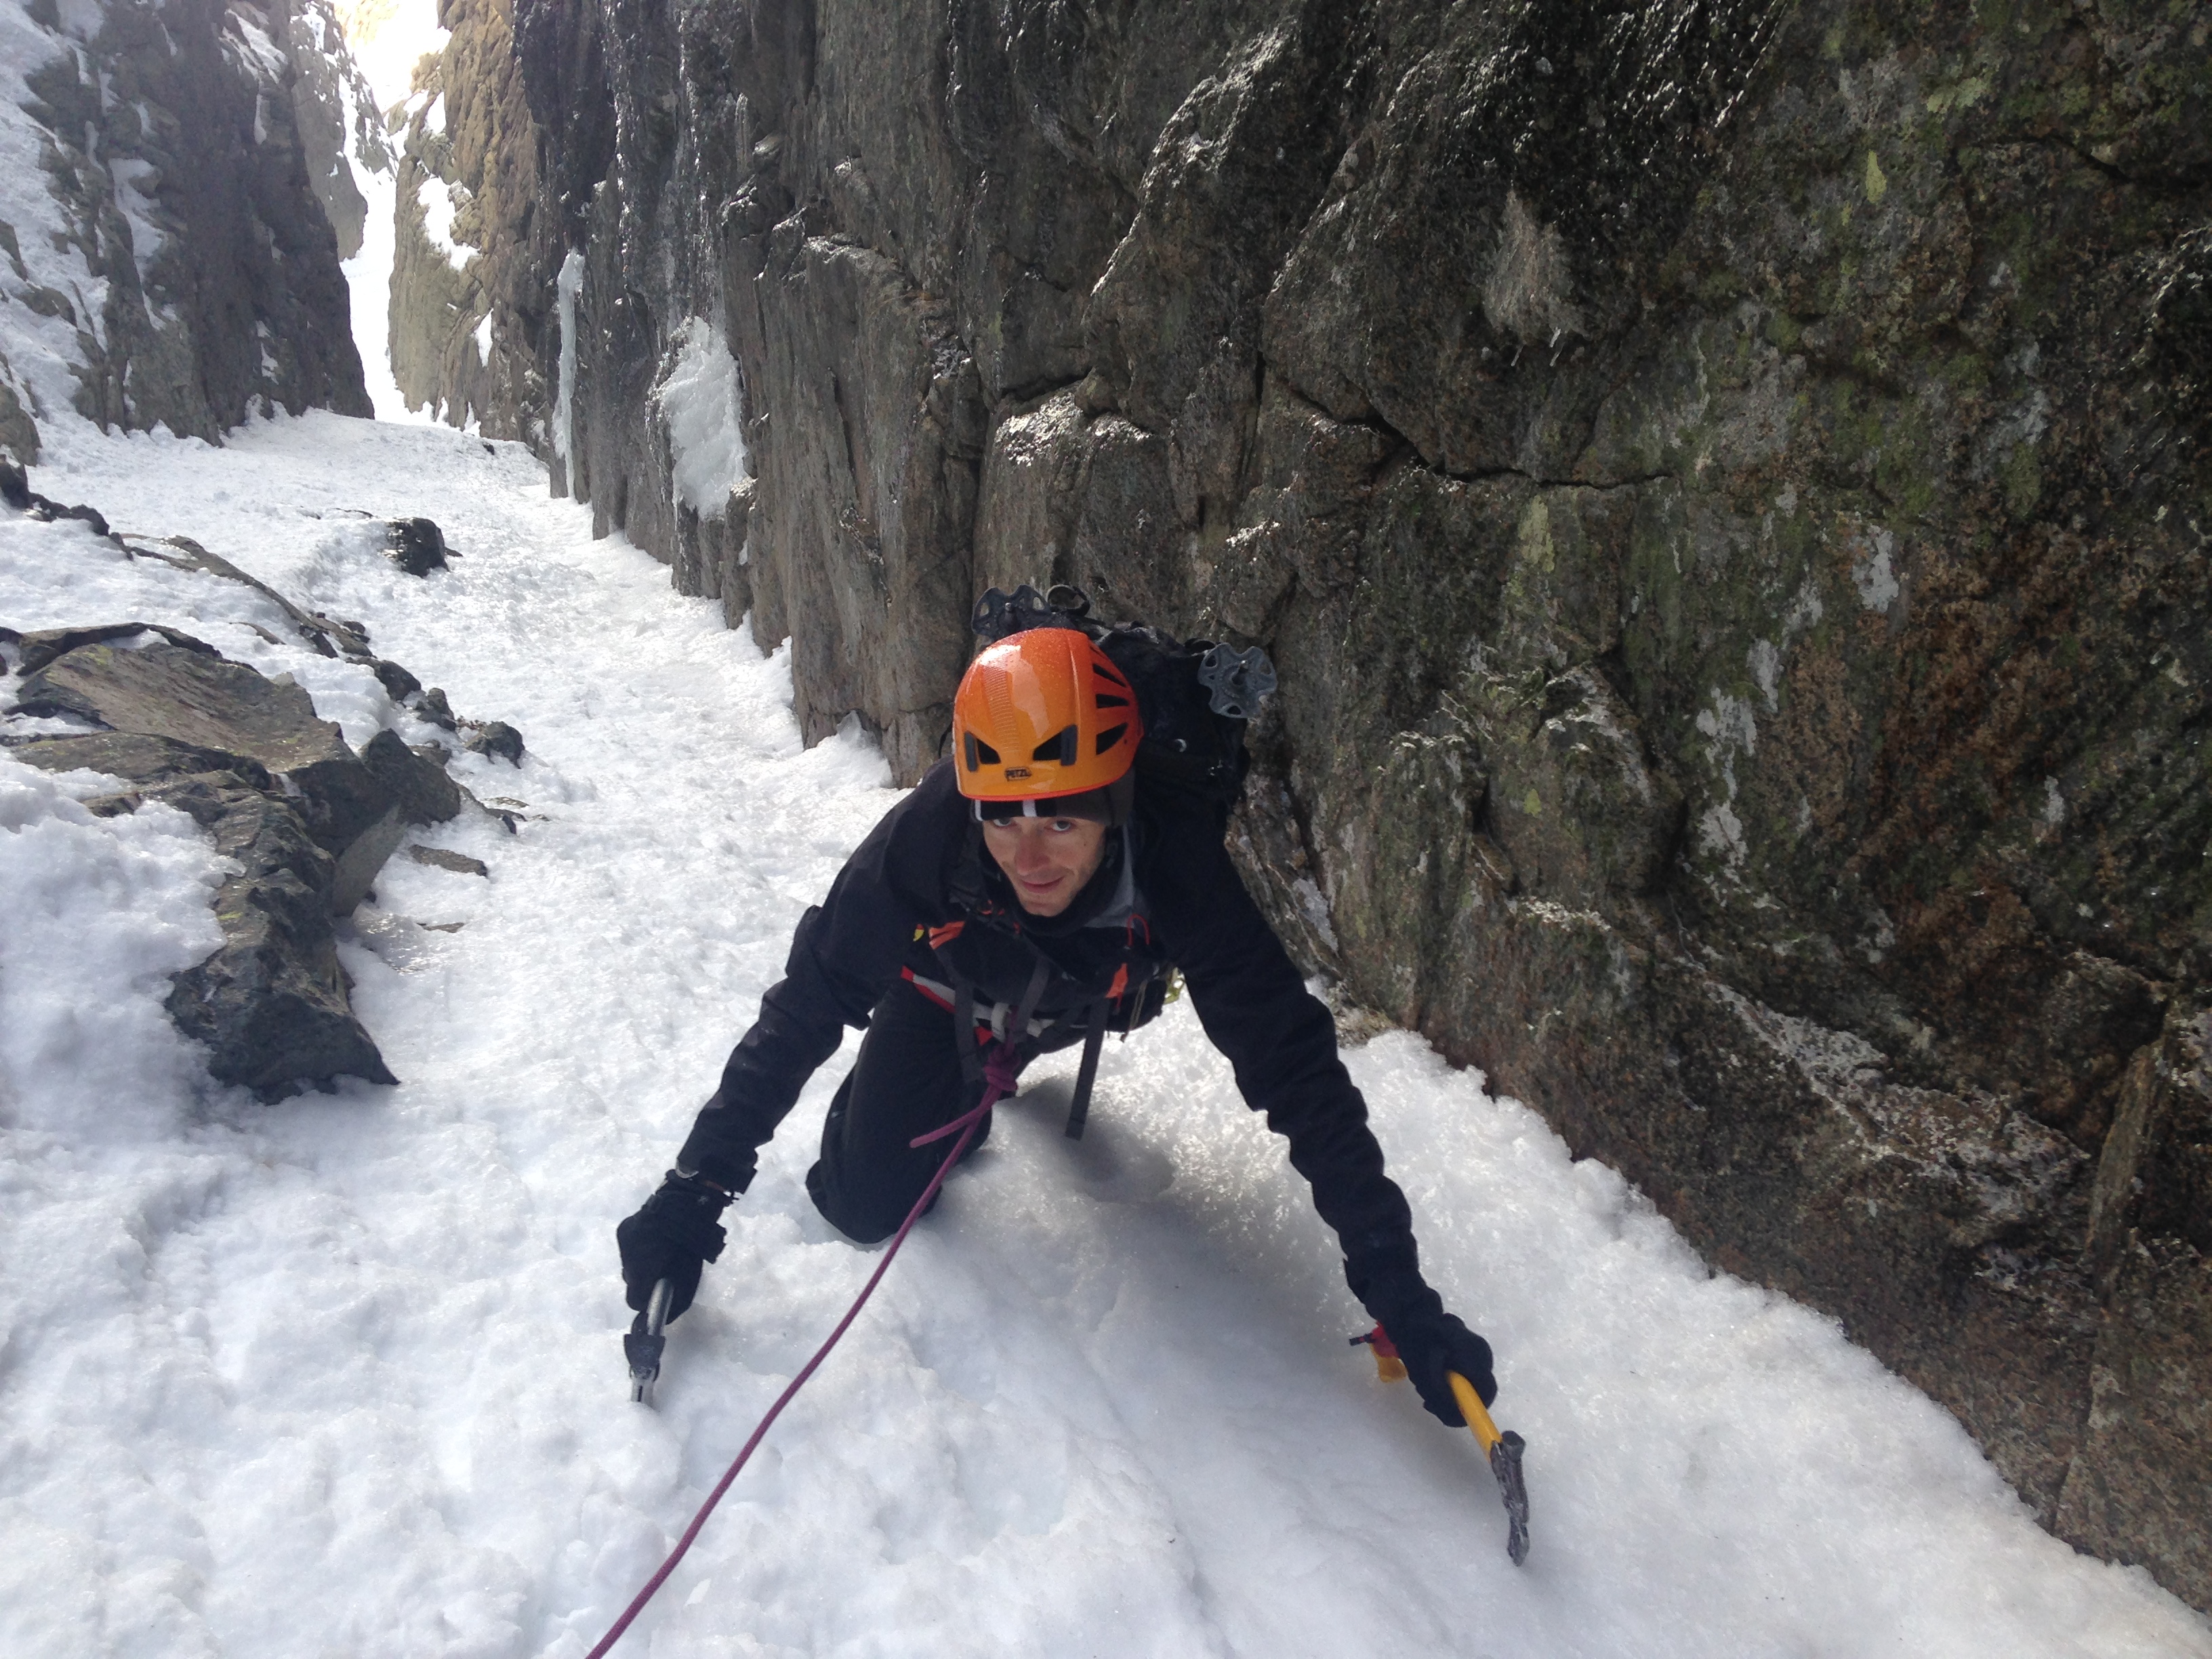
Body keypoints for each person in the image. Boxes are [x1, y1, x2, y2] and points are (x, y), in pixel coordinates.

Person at [617, 621, 1498, 1424]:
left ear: (1114, 807)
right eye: (1004, 819)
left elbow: (1292, 1065)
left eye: (1062, 821)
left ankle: (1002, 1053)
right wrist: (695, 1189)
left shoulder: (1172, 855)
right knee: (859, 1198)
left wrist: (1397, 1285)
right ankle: (963, 1077)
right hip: (946, 992)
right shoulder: (933, 833)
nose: (1028, 856)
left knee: (1030, 1008)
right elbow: (811, 999)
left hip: (1092, 997)